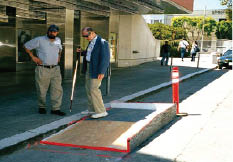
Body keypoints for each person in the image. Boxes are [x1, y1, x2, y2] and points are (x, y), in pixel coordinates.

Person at [24, 24, 66, 116]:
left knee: (57, 89)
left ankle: (56, 109)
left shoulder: (58, 40)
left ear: (57, 32)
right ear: (48, 31)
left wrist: (59, 56)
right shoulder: (39, 39)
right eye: (50, 31)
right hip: (43, 69)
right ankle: (41, 106)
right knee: (41, 89)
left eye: (54, 31)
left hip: (55, 69)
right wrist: (33, 57)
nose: (52, 33)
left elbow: (60, 49)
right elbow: (26, 46)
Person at [77, 27, 110, 119]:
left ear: (92, 33)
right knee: (88, 88)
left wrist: (102, 71)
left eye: (86, 36)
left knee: (94, 89)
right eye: (84, 36)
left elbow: (105, 58)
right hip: (89, 67)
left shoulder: (102, 42)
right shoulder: (91, 41)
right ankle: (92, 109)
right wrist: (82, 52)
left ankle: (101, 111)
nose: (85, 38)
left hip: (97, 69)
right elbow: (91, 53)